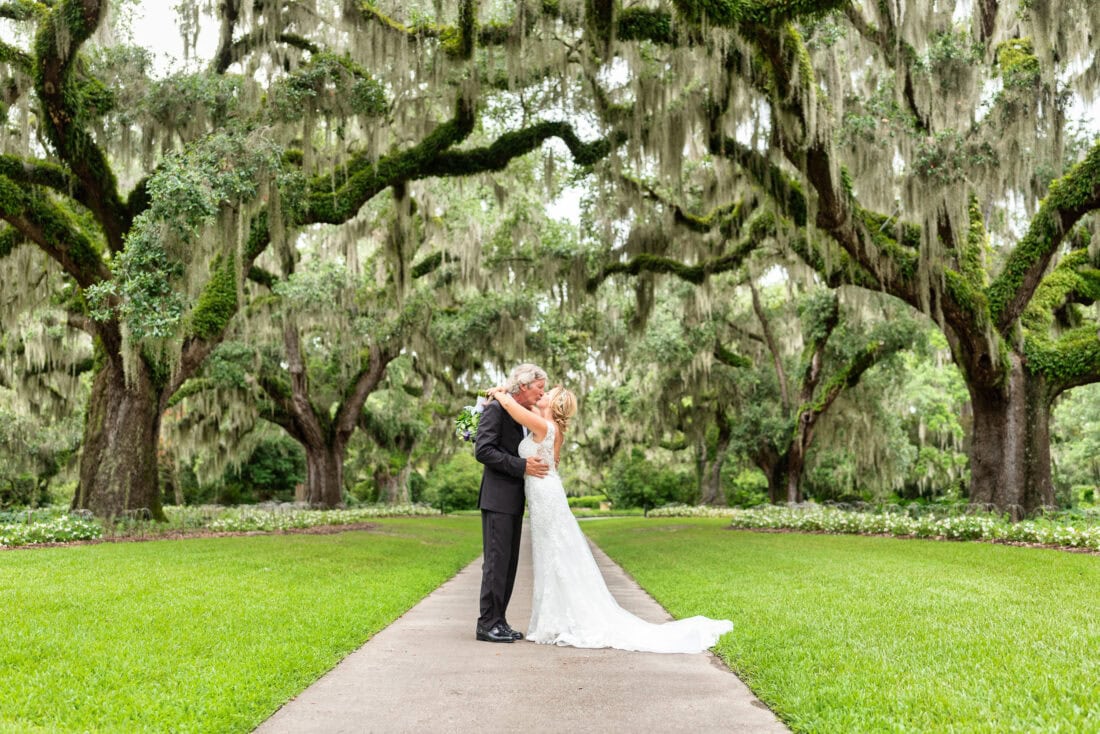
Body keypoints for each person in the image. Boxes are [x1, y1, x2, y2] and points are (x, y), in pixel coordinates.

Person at [486, 384, 733, 653]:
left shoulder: (544, 427)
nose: (542, 394)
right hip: (544, 493)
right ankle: (551, 619)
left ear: (554, 404)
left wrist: (498, 393)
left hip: (545, 495)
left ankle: (558, 620)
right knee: (550, 555)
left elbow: (512, 407)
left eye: (549, 393)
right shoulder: (546, 424)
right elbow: (526, 406)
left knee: (555, 555)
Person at [473, 363, 549, 643]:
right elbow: (483, 451)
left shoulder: (520, 413)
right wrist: (521, 465)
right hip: (497, 498)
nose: (542, 392)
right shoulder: (496, 409)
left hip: (514, 499)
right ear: (525, 385)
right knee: (495, 562)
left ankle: (500, 620)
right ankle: (486, 624)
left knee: (509, 563)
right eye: (540, 387)